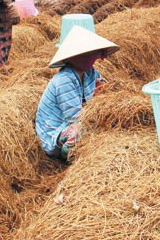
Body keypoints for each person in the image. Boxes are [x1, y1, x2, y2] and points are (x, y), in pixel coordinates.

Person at [35, 26, 120, 161]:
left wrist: (104, 90)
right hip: (58, 131)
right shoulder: (64, 79)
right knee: (79, 134)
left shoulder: (89, 72)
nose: (94, 57)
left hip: (81, 118)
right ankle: (70, 157)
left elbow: (103, 87)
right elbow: (74, 117)